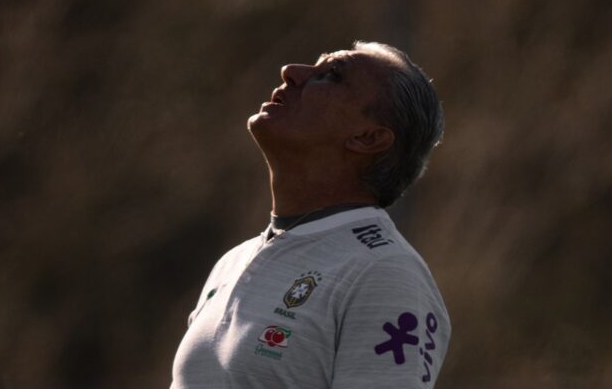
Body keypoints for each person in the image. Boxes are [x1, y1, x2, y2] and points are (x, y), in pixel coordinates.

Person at [171, 41, 450, 388]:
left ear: (367, 137)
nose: (291, 71)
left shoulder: (386, 272)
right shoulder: (232, 261)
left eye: (332, 75)